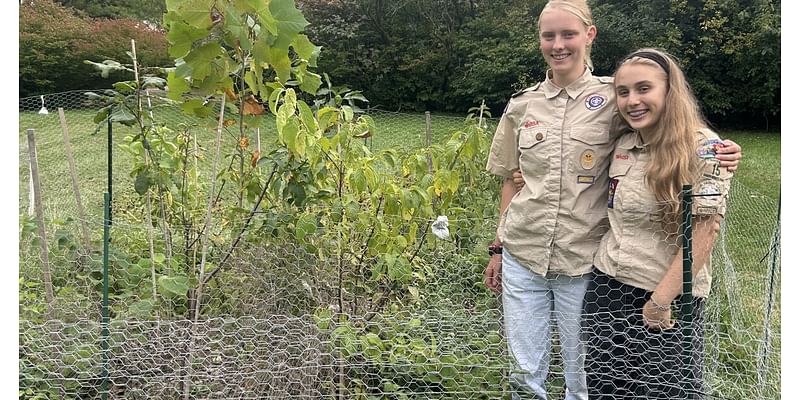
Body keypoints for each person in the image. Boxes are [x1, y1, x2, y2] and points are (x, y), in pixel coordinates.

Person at [483, 1, 741, 398]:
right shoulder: (522, 105)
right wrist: (498, 248)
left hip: (583, 259)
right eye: (548, 35)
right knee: (524, 367)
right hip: (524, 252)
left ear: (590, 35)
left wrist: (717, 149)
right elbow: (511, 181)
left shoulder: (613, 98)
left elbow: (668, 126)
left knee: (583, 372)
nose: (558, 44)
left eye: (568, 34)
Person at [581, 48, 731, 399]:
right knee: (606, 386)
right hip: (608, 286)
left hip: (664, 296)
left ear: (669, 91)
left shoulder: (704, 148)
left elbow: (705, 231)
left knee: (662, 391)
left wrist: (660, 302)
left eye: (644, 89)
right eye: (623, 92)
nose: (632, 100)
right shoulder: (624, 144)